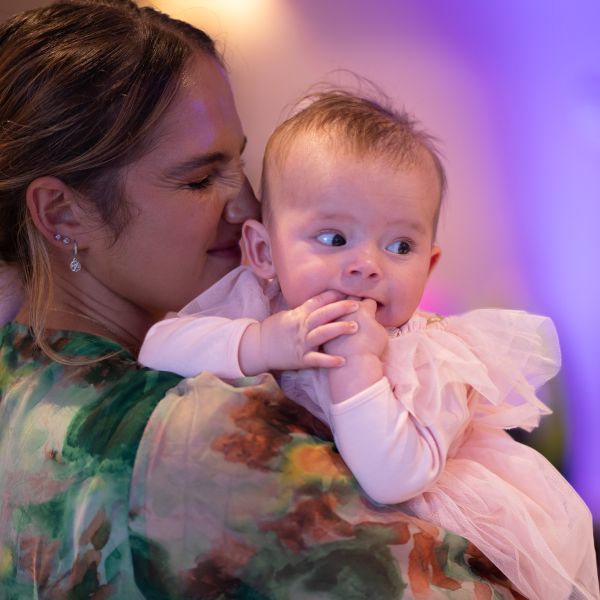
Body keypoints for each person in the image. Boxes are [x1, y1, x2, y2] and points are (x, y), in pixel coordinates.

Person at [0, 1, 539, 598]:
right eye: (200, 179)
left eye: (240, 163)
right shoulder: (200, 436)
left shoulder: (19, 378)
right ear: (62, 213)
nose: (247, 206)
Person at [139, 91, 600, 600]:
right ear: (263, 252)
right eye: (334, 238)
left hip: (430, 545)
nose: (367, 264)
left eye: (400, 246)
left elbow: (391, 479)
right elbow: (157, 348)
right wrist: (262, 344)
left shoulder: (435, 359)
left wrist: (358, 366)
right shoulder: (261, 304)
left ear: (428, 267)